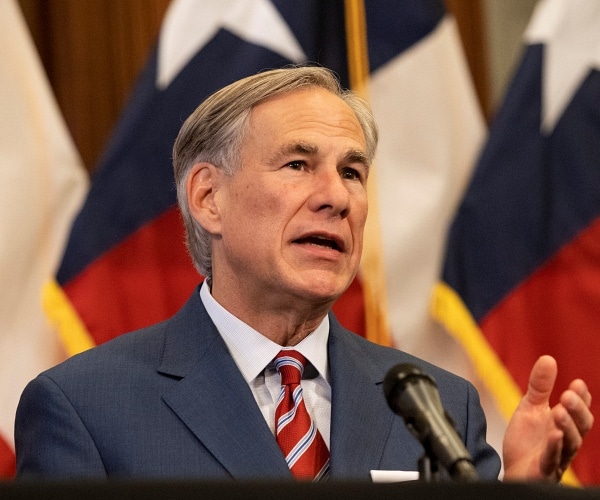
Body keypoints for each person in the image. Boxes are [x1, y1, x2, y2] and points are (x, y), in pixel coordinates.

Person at [15, 66, 592, 481]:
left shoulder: (439, 406)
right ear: (209, 198)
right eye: (298, 164)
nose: (336, 197)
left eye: (353, 172)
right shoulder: (86, 409)